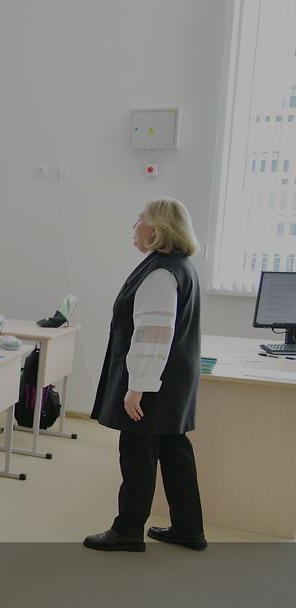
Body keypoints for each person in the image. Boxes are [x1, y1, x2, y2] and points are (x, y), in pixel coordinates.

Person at [84, 198, 206, 552]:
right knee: (174, 449)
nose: (134, 225)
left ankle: (127, 531)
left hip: (154, 380)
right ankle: (188, 528)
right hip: (174, 379)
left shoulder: (160, 273)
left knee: (137, 451)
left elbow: (153, 335)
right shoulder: (179, 266)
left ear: (156, 228)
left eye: (140, 218)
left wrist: (138, 386)